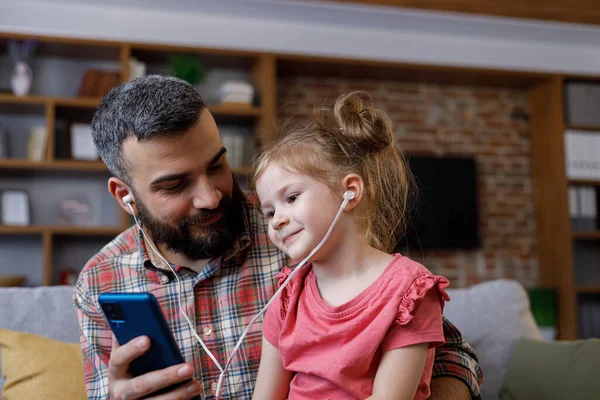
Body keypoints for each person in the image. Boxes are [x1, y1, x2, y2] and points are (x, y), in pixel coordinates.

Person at [74, 75, 483, 400]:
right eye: (175, 184)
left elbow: (450, 355)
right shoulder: (100, 283)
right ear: (125, 195)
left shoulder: (311, 230)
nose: (211, 195)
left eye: (217, 166)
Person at [250, 91, 450, 400]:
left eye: (291, 198)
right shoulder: (287, 296)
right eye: (270, 211)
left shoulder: (410, 292)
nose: (277, 220)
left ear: (350, 192)